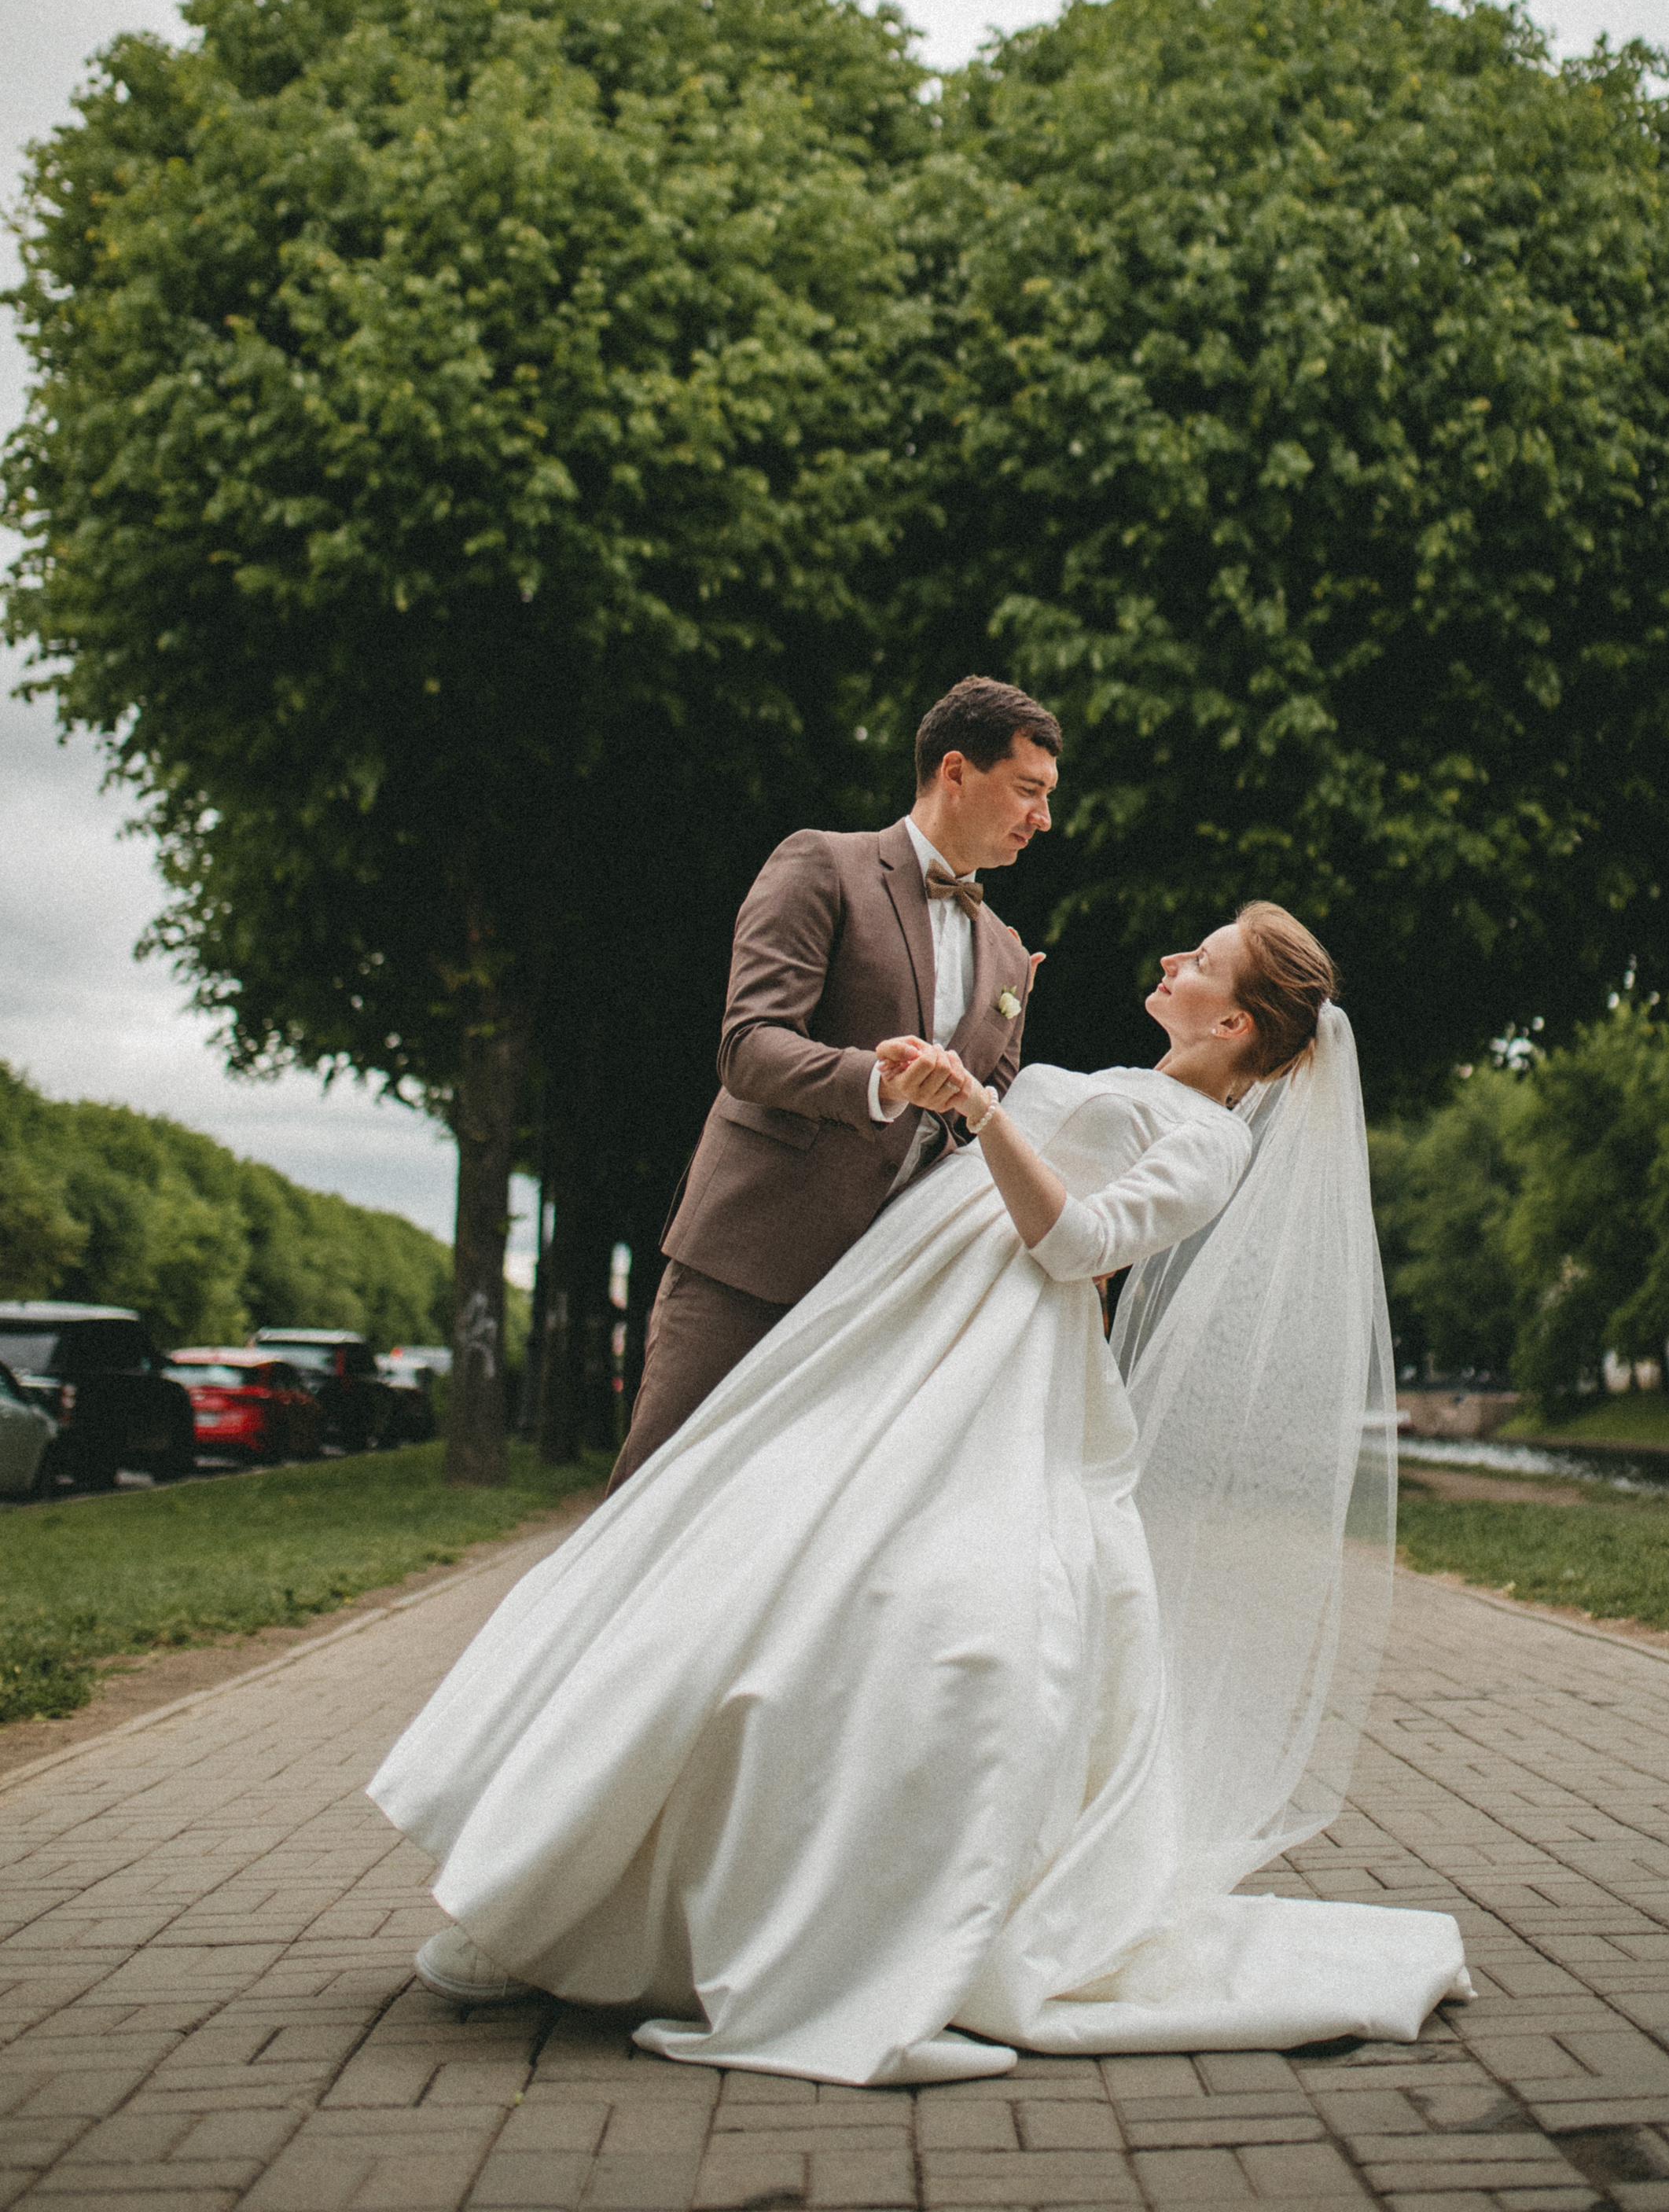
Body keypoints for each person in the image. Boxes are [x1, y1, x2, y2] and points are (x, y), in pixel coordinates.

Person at [371, 901, 1472, 2082]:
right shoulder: (1119, 1077)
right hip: (894, 1314)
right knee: (723, 1550)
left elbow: (1078, 1242)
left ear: (1235, 1018)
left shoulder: (1211, 1142)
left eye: (1198, 962)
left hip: (995, 1363)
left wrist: (987, 1111)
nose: (1169, 961)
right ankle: (558, 1892)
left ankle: (786, 1922)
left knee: (907, 1619)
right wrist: (969, 1055)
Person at [608, 674, 1062, 1489]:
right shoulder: (822, 863)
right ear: (954, 771)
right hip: (750, 1260)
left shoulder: (1005, 954)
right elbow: (749, 1047)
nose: (1043, 819)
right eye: (1028, 790)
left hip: (878, 1294)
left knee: (790, 1531)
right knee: (654, 1497)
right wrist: (878, 1083)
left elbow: (980, 1124)